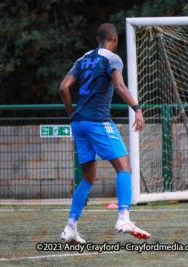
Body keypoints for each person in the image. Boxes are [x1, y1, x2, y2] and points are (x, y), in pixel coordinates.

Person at [59, 23, 150, 243]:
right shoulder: (112, 58)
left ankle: (71, 226)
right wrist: (137, 109)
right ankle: (123, 217)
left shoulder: (83, 59)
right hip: (98, 121)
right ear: (115, 39)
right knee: (124, 167)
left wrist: (73, 113)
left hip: (79, 123)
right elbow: (119, 86)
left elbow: (63, 87)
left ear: (97, 38)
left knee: (88, 177)